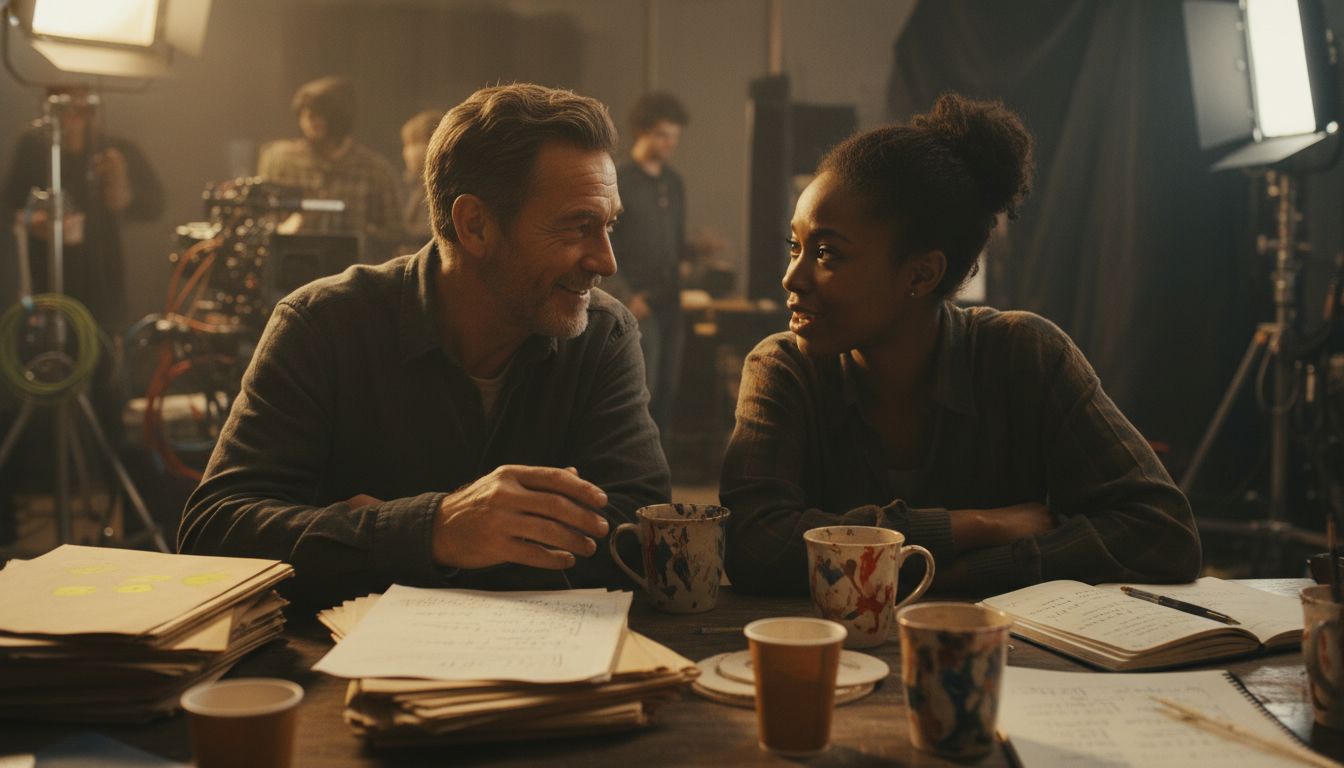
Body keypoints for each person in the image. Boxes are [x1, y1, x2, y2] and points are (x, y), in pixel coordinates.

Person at [180, 83, 670, 605]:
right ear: (475, 225)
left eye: (609, 225)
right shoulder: (322, 325)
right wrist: (434, 529)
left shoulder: (602, 334)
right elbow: (215, 534)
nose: (606, 261)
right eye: (578, 227)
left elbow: (643, 537)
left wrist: (366, 537)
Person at [720, 94, 1200, 596]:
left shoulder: (1024, 356)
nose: (790, 277)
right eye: (794, 247)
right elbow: (754, 544)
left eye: (826, 254)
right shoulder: (783, 369)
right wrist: (972, 526)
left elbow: (1163, 533)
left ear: (921, 273)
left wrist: (971, 573)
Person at [607, 92, 689, 445]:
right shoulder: (619, 181)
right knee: (643, 391)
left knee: (668, 392)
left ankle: (661, 476)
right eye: (662, 135)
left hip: (671, 302)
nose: (670, 143)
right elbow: (603, 241)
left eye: (674, 136)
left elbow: (677, 242)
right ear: (642, 131)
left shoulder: (674, 182)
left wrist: (695, 254)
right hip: (636, 304)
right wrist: (626, 295)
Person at [256, 76, 403, 260]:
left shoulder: (375, 170)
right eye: (304, 114)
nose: (309, 121)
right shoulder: (280, 161)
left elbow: (395, 235)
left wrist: (358, 228)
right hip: (292, 272)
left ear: (339, 115)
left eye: (318, 114)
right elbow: (259, 220)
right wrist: (286, 227)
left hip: (352, 277)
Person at [398, 109, 442, 250]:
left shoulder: (440, 188)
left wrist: (398, 232)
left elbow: (430, 230)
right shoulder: (412, 186)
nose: (406, 152)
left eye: (413, 143)